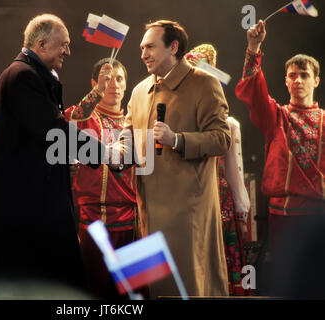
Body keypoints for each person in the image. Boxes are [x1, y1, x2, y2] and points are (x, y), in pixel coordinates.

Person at [0, 14, 102, 291]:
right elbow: (53, 130)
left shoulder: (31, 74)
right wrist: (104, 153)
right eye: (64, 45)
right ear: (43, 44)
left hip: (33, 202)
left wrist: (61, 161)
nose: (68, 52)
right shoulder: (23, 76)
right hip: (25, 208)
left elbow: (37, 138)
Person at [116, 20, 231, 298]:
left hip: (188, 213)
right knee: (155, 289)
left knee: (190, 286)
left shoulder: (204, 83)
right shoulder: (139, 90)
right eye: (142, 48)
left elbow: (222, 138)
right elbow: (127, 140)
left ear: (174, 47)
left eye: (150, 47)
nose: (143, 54)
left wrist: (177, 140)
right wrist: (113, 155)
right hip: (149, 212)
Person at [235, 20, 324, 254]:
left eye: (304, 75)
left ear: (316, 81)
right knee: (287, 285)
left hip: (319, 216)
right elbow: (254, 92)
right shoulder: (276, 116)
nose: (298, 80)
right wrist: (253, 47)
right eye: (292, 75)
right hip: (283, 215)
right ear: (285, 81)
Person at [64, 58, 140, 299]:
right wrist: (96, 93)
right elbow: (70, 120)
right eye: (107, 80)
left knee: (132, 293)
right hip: (94, 218)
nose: (113, 85)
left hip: (132, 218)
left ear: (126, 85)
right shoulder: (86, 117)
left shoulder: (134, 122)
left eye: (119, 79)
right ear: (95, 83)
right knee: (92, 291)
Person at [186, 44, 252, 296]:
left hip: (218, 201)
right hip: (186, 200)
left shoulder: (228, 124)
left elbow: (235, 172)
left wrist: (240, 211)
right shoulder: (172, 118)